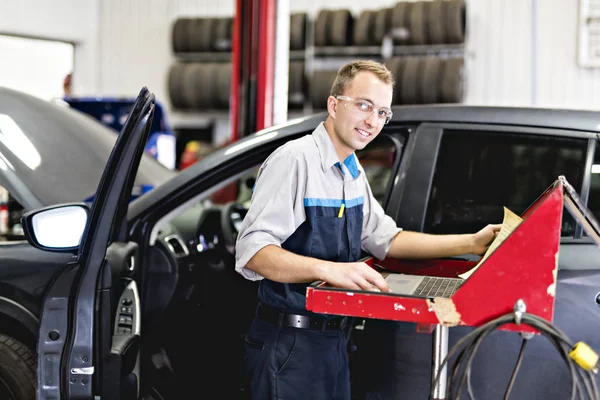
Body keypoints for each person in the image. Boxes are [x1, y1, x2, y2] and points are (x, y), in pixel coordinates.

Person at [234, 59, 500, 400]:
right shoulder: (295, 160)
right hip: (290, 345)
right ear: (333, 105)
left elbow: (386, 240)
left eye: (382, 113)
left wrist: (472, 242)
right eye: (364, 106)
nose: (373, 121)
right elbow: (252, 252)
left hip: (332, 342)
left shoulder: (351, 170)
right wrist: (331, 271)